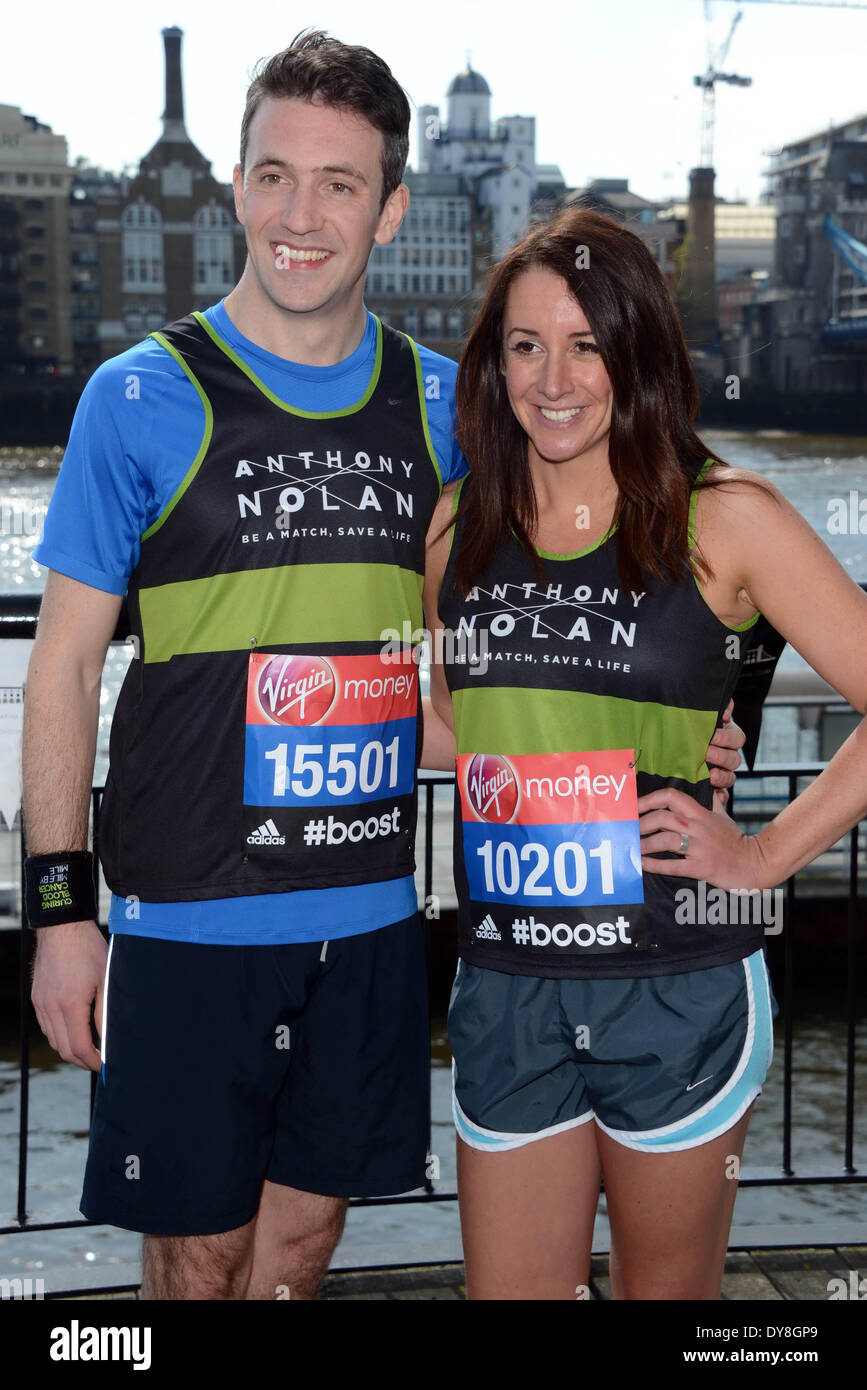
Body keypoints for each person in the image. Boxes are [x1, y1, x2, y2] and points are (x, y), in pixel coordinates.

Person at [23, 35, 743, 1301]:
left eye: (340, 184)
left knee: (301, 1251)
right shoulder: (133, 397)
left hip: (366, 915)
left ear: (390, 206)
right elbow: (65, 667)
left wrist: (681, 731)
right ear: (241, 185)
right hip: (186, 912)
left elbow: (558, 608)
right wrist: (58, 911)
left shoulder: (448, 414)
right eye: (276, 176)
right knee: (198, 1255)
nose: (302, 217)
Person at [422, 206, 867, 1301]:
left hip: (677, 982)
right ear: (494, 364)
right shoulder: (453, 525)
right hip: (510, 978)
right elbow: (452, 726)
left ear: (637, 353)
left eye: (587, 343)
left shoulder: (728, 517)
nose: (553, 378)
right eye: (526, 345)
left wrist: (762, 859)